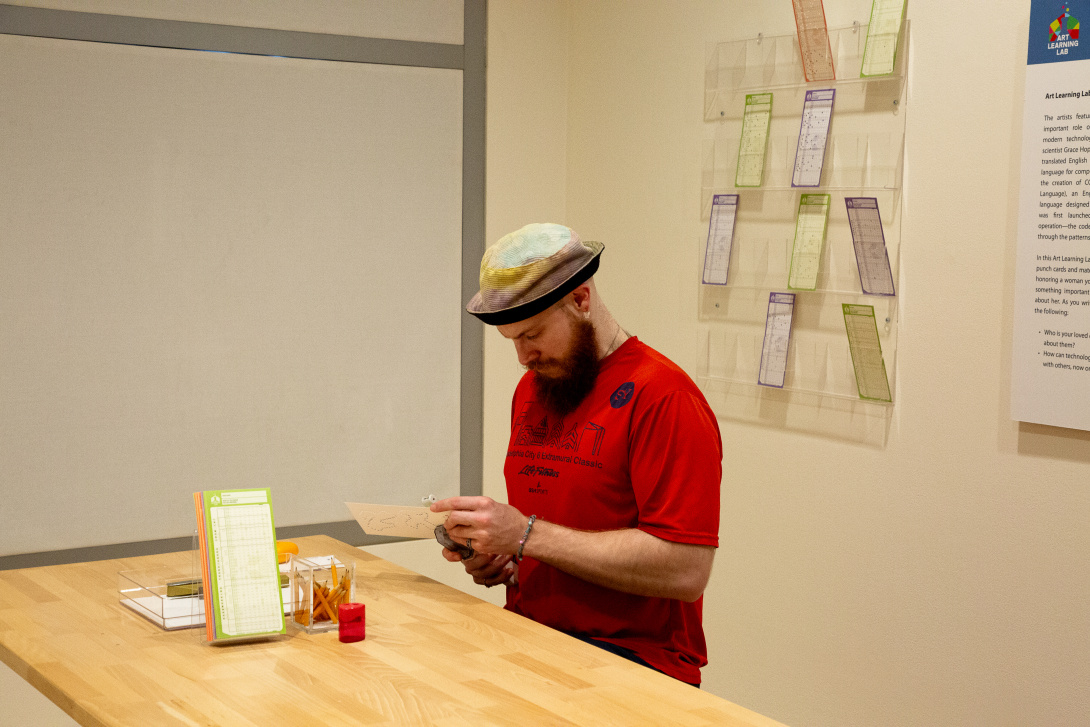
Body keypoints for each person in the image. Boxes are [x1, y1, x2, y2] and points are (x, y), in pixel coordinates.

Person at [431, 223, 722, 686]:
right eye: (513, 341)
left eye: (532, 335)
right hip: (532, 642)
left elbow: (686, 569)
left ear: (580, 300)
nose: (523, 358)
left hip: (633, 663)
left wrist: (524, 535)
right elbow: (556, 533)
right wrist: (503, 559)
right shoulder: (535, 388)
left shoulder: (664, 396)